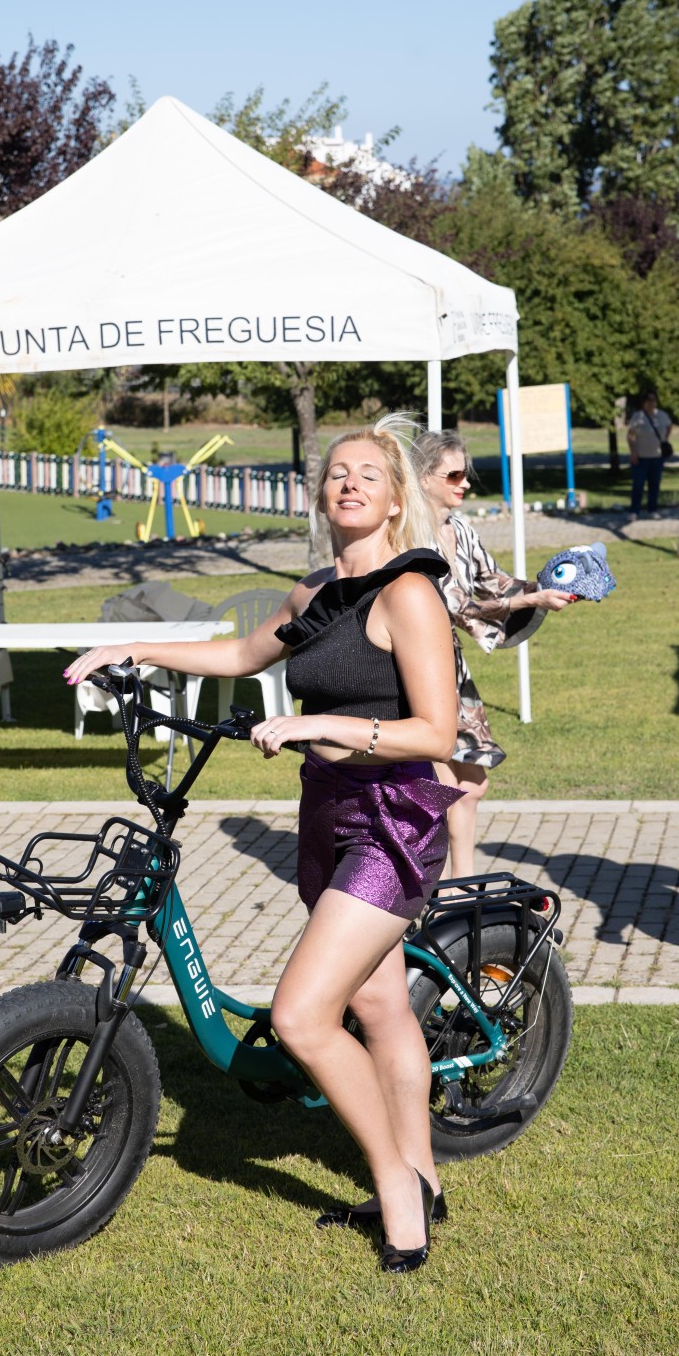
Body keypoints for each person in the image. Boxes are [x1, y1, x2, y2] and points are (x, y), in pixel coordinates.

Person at [66, 415, 462, 1272]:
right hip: (326, 814)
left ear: (397, 500)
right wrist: (128, 647)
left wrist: (324, 723)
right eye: (337, 473)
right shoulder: (311, 594)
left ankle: (398, 1188)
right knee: (379, 1005)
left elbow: (436, 732)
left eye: (369, 474)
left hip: (394, 822)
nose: (349, 484)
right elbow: (241, 653)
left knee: (301, 1016)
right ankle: (424, 1172)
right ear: (320, 496)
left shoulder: (409, 595)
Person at [412, 429, 577, 880]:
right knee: (442, 786)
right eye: (454, 475)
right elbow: (452, 605)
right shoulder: (409, 537)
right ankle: (428, 888)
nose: (465, 483)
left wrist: (550, 586)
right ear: (424, 478)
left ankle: (461, 885)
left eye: (466, 474)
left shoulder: (460, 529)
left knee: (472, 784)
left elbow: (493, 583)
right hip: (412, 672)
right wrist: (530, 600)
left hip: (449, 669)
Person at [627, 390, 673, 515]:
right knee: (638, 485)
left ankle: (652, 509)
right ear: (644, 402)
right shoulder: (638, 416)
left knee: (654, 484)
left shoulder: (662, 416)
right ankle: (634, 510)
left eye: (654, 400)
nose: (652, 403)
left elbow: (669, 426)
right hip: (641, 456)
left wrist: (664, 439)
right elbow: (630, 435)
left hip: (657, 456)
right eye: (649, 400)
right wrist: (633, 452)